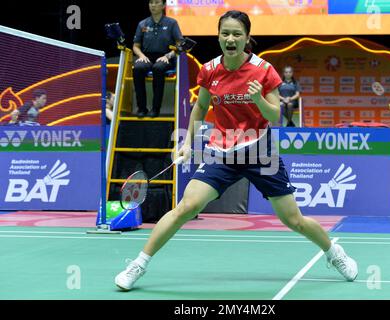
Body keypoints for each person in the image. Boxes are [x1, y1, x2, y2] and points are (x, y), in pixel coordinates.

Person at [115, 10, 358, 291]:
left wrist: (257, 98)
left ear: (246, 38)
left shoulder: (264, 70)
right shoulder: (210, 70)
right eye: (225, 33)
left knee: (294, 220)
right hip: (222, 150)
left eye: (236, 34)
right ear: (219, 36)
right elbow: (200, 107)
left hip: (259, 151)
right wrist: (187, 143)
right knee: (186, 206)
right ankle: (139, 264)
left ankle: (334, 253)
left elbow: (274, 116)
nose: (230, 39)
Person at [132, 0, 183, 118]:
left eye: (156, 2)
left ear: (164, 6)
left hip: (166, 57)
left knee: (158, 68)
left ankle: (155, 109)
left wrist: (168, 55)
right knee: (138, 68)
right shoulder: (142, 24)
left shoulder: (172, 23)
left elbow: (180, 44)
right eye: (151, 2)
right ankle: (142, 108)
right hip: (147, 57)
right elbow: (136, 46)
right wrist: (141, 56)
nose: (153, 5)